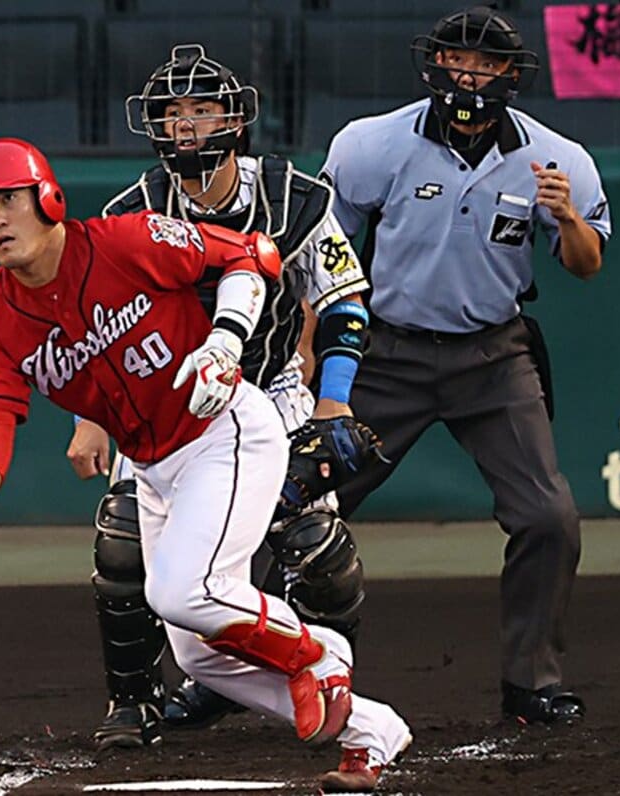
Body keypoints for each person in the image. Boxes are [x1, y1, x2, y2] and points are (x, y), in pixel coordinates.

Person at [0, 136, 412, 792]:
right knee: (202, 654)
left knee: (181, 592)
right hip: (153, 466)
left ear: (47, 197)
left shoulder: (124, 239)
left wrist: (224, 342)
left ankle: (319, 654)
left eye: (8, 199)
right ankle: (370, 732)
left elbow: (248, 256)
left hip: (225, 430)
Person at [64, 43, 380, 756]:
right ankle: (133, 700)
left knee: (315, 547)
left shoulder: (292, 199)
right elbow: (95, 329)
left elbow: (343, 304)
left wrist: (333, 406)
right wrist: (90, 419)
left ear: (235, 119)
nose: (185, 126)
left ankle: (320, 682)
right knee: (122, 544)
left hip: (269, 390)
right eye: (171, 114)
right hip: (165, 406)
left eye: (202, 110)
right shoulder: (132, 210)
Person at [321, 5, 611, 725]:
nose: (470, 75)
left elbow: (586, 266)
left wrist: (568, 217)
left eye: (487, 64)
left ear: (511, 75)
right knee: (300, 509)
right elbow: (321, 255)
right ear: (434, 65)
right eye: (458, 60)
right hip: (385, 352)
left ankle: (531, 684)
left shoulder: (557, 157)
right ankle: (248, 671)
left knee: (549, 517)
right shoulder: (371, 144)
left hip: (492, 355)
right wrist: (314, 362)